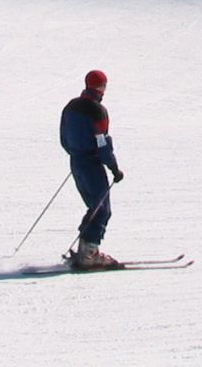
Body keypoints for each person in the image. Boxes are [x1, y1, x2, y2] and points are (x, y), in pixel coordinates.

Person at [59, 69, 124, 268]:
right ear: (101, 86)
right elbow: (102, 143)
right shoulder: (97, 111)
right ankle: (89, 255)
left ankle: (84, 251)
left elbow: (63, 136)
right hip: (91, 164)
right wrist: (113, 167)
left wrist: (76, 153)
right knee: (102, 209)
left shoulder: (71, 106)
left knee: (94, 207)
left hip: (76, 161)